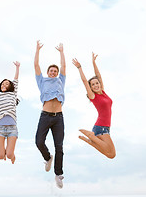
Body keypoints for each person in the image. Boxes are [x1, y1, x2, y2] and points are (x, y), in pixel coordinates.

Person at [34, 40, 66, 189]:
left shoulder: (61, 80)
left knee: (59, 146)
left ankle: (58, 175)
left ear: (57, 73)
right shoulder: (42, 81)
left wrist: (61, 52)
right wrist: (37, 50)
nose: (53, 72)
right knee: (39, 141)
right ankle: (48, 158)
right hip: (45, 115)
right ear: (48, 73)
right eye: (51, 71)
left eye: (55, 71)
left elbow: (64, 66)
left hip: (58, 117)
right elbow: (36, 66)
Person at [72, 53, 116, 159]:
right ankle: (91, 136)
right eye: (93, 84)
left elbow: (99, 76)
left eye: (97, 83)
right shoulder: (93, 96)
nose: (96, 85)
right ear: (91, 87)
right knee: (112, 154)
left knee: (110, 154)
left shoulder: (103, 92)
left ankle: (89, 140)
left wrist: (93, 63)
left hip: (105, 128)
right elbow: (84, 82)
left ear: (100, 84)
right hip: (100, 128)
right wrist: (79, 68)